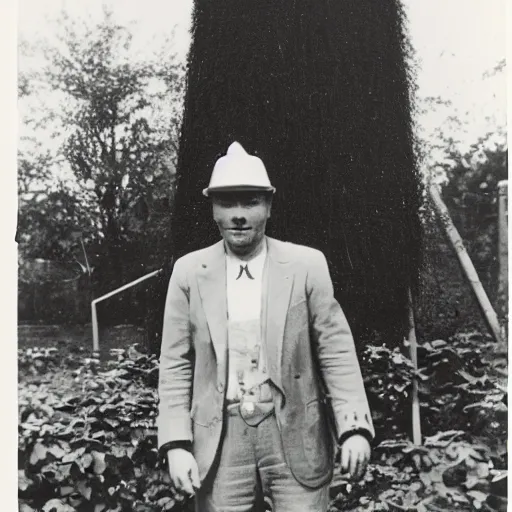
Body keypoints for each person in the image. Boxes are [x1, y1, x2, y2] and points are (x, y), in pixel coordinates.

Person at [157, 141, 374, 512]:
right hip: (221, 441)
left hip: (295, 435)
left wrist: (353, 428)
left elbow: (336, 351)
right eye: (227, 203)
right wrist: (176, 443)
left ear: (269, 205)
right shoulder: (190, 272)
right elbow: (175, 364)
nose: (239, 215)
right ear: (213, 208)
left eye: (251, 202)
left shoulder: (307, 265)